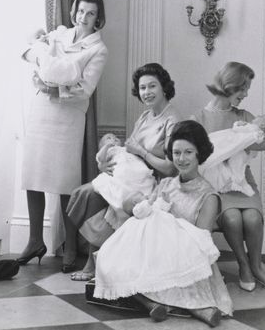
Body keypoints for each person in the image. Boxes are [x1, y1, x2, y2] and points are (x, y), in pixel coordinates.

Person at [94, 120, 233, 327]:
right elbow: (145, 214)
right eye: (177, 153)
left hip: (188, 258)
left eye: (188, 152)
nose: (181, 159)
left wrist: (168, 226)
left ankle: (191, 307)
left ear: (199, 154)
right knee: (109, 260)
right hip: (157, 251)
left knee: (146, 275)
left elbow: (201, 243)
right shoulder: (166, 184)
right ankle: (151, 303)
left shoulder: (209, 196)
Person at [18, 0, 108, 270]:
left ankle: (70, 245)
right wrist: (42, 73)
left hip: (68, 118)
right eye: (80, 11)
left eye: (90, 13)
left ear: (98, 18)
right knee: (33, 177)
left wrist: (53, 86)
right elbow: (32, 56)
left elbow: (84, 90)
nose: (83, 17)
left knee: (65, 184)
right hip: (41, 112)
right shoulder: (59, 35)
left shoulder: (98, 50)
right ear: (74, 12)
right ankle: (35, 240)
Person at [66, 62, 181, 280]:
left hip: (154, 184)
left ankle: (95, 263)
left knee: (94, 196)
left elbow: (171, 168)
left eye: (152, 86)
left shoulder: (172, 120)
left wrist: (143, 154)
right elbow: (128, 151)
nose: (146, 92)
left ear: (164, 87)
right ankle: (97, 260)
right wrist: (104, 165)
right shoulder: (145, 116)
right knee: (84, 193)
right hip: (131, 176)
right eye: (142, 88)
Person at [194, 62, 265, 293]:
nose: (245, 95)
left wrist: (243, 138)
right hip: (217, 184)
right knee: (232, 219)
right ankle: (243, 265)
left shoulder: (244, 116)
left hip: (242, 181)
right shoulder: (200, 117)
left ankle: (257, 266)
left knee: (252, 219)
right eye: (242, 89)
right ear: (228, 86)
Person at [201, 114, 265, 198]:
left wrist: (238, 124)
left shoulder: (253, 129)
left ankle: (229, 180)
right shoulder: (258, 136)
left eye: (259, 117)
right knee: (236, 166)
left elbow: (237, 130)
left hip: (236, 147)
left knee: (220, 154)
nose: (255, 117)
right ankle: (231, 179)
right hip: (240, 152)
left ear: (262, 125)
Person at [90, 132, 156, 229]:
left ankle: (145, 198)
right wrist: (107, 147)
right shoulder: (110, 151)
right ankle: (134, 203)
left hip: (136, 166)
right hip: (122, 167)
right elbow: (100, 158)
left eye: (115, 137)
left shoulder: (125, 149)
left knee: (143, 174)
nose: (113, 138)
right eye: (108, 138)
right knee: (123, 176)